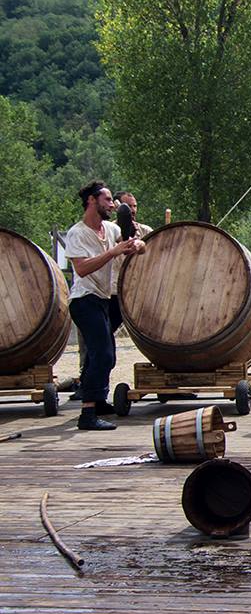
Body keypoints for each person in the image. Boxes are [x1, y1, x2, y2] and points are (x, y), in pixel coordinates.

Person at [65, 181, 145, 430]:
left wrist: (137, 245)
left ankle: (97, 401)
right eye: (108, 200)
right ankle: (87, 414)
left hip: (101, 299)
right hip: (83, 300)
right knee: (103, 354)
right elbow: (82, 268)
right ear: (92, 201)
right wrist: (113, 252)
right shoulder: (77, 233)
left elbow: (130, 244)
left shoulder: (109, 229)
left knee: (102, 355)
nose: (113, 205)